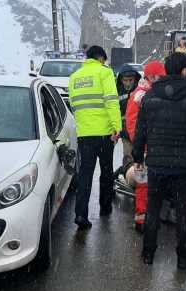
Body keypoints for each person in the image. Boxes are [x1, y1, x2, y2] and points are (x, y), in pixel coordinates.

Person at [132, 52, 186, 269]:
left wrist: (138, 157)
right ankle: (184, 257)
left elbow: (141, 130)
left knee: (153, 208)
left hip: (156, 163)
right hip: (182, 164)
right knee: (182, 210)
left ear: (166, 71)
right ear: (184, 70)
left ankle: (148, 253)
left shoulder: (150, 96)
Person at [68, 45, 121, 230]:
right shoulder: (104, 73)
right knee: (106, 172)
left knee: (85, 174)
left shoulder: (74, 78)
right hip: (105, 134)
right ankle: (105, 208)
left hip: (85, 135)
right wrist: (117, 127)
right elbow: (112, 101)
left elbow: (74, 105)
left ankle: (81, 214)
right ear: (100, 58)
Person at [124, 61, 166, 233]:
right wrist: (141, 144)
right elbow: (132, 122)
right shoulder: (140, 95)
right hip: (146, 148)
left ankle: (149, 216)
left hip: (155, 147)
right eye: (160, 76)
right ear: (152, 76)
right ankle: (142, 219)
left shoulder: (152, 92)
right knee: (143, 183)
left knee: (150, 183)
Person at [117, 64, 142, 173]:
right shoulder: (116, 91)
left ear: (135, 79)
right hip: (125, 132)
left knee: (140, 158)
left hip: (140, 131)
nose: (128, 83)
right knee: (128, 157)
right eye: (125, 80)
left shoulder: (141, 91)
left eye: (130, 80)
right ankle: (129, 180)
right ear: (121, 80)